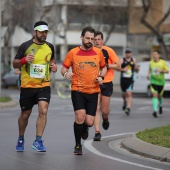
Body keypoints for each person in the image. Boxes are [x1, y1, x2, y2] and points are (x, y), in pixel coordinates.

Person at [61, 27, 107, 155]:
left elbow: (104, 68)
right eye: (87, 38)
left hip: (93, 91)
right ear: (81, 37)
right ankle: (77, 145)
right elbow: (63, 69)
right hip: (78, 90)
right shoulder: (73, 52)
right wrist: (66, 74)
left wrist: (101, 77)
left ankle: (85, 127)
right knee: (80, 116)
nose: (90, 41)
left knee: (89, 121)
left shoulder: (98, 53)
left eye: (92, 39)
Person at [13, 21, 57, 152]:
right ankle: (21, 138)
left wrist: (53, 66)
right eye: (41, 32)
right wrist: (23, 60)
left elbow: (52, 60)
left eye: (45, 32)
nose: (44, 34)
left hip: (44, 85)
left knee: (43, 110)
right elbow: (14, 64)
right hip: (27, 86)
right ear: (35, 32)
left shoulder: (50, 46)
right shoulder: (25, 46)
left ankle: (38, 141)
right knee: (25, 114)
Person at [93, 31, 120, 141]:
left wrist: (107, 65)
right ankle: (97, 132)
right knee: (96, 108)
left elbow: (118, 66)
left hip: (106, 82)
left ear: (102, 40)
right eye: (95, 40)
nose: (97, 41)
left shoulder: (108, 51)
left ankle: (105, 119)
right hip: (94, 82)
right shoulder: (91, 51)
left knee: (104, 110)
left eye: (99, 39)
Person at [147, 50, 169, 118]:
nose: (154, 56)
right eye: (153, 54)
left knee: (160, 96)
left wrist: (161, 70)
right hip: (153, 81)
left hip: (161, 82)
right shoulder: (151, 63)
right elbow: (149, 70)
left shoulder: (162, 62)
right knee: (154, 95)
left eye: (155, 54)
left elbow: (167, 71)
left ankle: (160, 105)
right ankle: (155, 111)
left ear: (158, 55)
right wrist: (148, 74)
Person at [119, 48, 139, 115]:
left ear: (131, 53)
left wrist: (137, 69)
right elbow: (117, 68)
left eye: (129, 53)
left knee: (129, 93)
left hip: (130, 80)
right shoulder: (122, 60)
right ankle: (125, 101)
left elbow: (136, 67)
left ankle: (128, 108)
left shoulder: (133, 60)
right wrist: (122, 69)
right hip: (123, 80)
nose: (128, 54)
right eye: (127, 53)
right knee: (124, 94)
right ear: (125, 53)